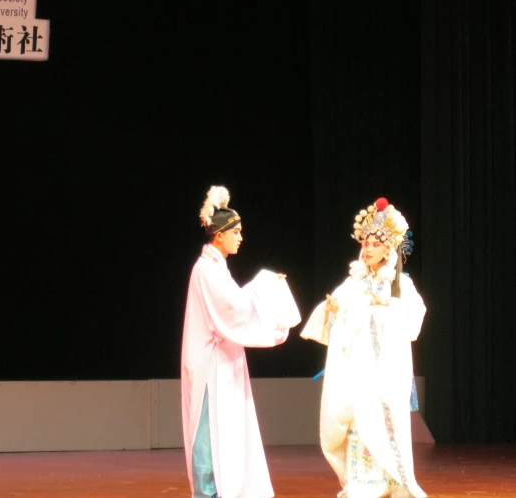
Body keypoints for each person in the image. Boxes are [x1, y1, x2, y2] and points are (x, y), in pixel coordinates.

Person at [301, 197, 427, 498]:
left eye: (375, 243)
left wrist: (385, 307)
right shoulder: (354, 282)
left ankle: (393, 481)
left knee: (386, 422)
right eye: (365, 242)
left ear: (388, 248)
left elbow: (413, 320)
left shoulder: (399, 284)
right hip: (360, 371)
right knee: (360, 422)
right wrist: (333, 311)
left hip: (386, 370)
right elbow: (339, 319)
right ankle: (363, 483)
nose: (368, 248)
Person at [181, 185, 301, 498]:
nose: (240, 237)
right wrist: (265, 287)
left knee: (226, 430)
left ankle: (222, 489)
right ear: (219, 234)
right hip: (209, 366)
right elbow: (233, 308)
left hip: (221, 360)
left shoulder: (216, 268)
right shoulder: (206, 269)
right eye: (236, 232)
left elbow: (234, 304)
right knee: (208, 433)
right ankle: (208, 492)